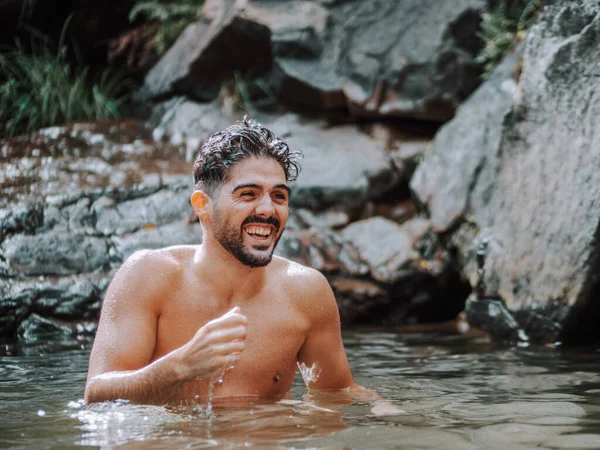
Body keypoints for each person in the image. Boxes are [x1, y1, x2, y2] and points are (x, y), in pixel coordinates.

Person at [84, 119, 399, 413]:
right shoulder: (149, 276)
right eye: (248, 194)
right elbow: (96, 395)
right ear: (202, 205)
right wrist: (178, 368)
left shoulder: (307, 292)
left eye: (279, 196)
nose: (267, 209)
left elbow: (336, 392)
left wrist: (407, 420)